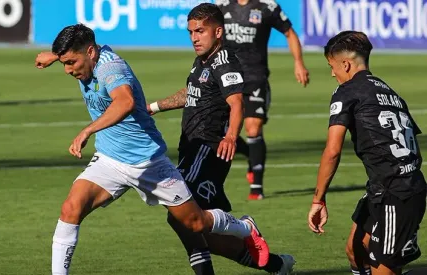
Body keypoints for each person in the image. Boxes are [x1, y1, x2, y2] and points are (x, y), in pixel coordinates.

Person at [34, 23, 270, 275]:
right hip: (109, 159)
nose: (68, 70)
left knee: (196, 222)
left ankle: (245, 227)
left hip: (148, 163)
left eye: (71, 63)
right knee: (71, 208)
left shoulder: (112, 68)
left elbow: (125, 102)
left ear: (90, 52)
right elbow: (76, 55)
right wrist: (56, 57)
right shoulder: (88, 56)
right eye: (64, 63)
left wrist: (88, 130)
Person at [147, 3, 295, 275]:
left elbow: (236, 102)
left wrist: (230, 136)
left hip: (207, 148)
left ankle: (246, 228)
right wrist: (154, 107)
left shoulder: (223, 59)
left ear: (218, 32)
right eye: (191, 31)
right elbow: (191, 92)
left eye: (200, 31)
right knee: (193, 225)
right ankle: (276, 265)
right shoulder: (203, 60)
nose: (194, 37)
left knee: (180, 214)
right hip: (193, 149)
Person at [307, 31, 426, 275]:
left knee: (386, 269)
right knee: (355, 248)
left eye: (332, 66)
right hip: (385, 186)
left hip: (397, 194)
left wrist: (318, 200)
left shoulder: (346, 91)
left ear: (346, 64)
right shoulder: (391, 93)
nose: (332, 73)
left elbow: (332, 151)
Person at [216, 0, 310, 199]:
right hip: (228, 77)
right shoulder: (222, 5)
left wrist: (298, 63)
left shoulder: (267, 6)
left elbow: (289, 32)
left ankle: (256, 188)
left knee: (253, 128)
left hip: (255, 78)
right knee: (220, 130)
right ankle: (252, 153)